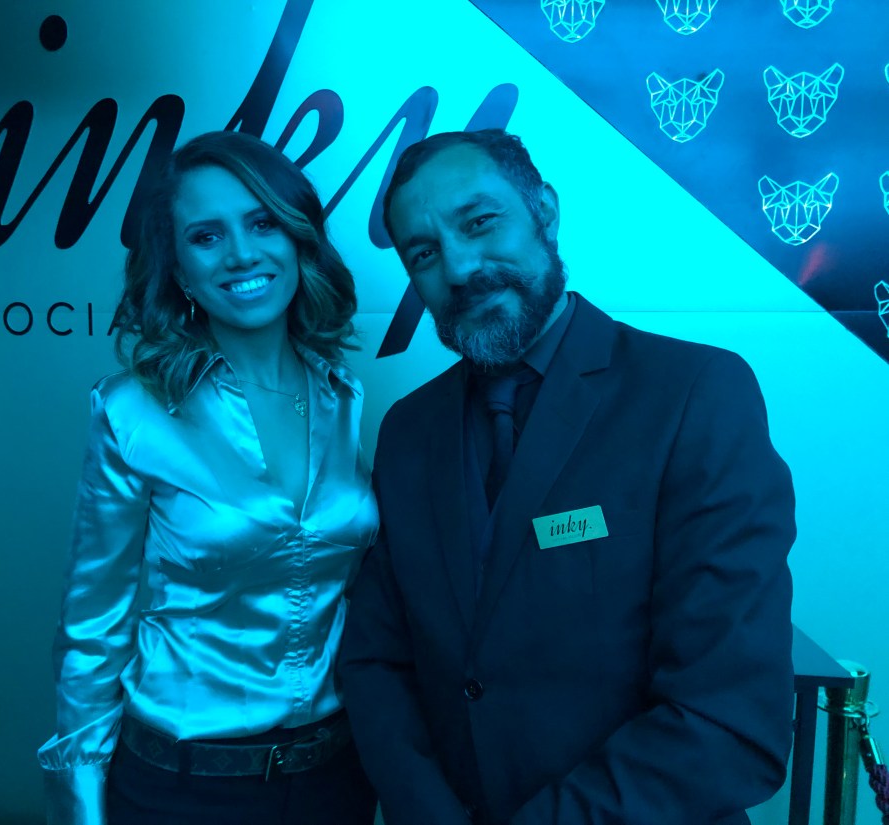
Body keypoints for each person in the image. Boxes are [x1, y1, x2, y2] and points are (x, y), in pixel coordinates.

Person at [338, 129, 796, 825]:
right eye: (423, 253)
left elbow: (728, 719)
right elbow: (377, 662)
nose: (459, 267)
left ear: (544, 212)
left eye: (480, 222)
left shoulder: (693, 394)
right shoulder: (408, 430)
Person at [38, 131, 379, 825]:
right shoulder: (132, 412)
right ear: (180, 269)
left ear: (297, 239)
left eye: (262, 223)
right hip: (182, 789)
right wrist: (80, 810)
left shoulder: (342, 396)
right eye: (206, 236)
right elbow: (91, 628)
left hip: (333, 780)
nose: (242, 253)